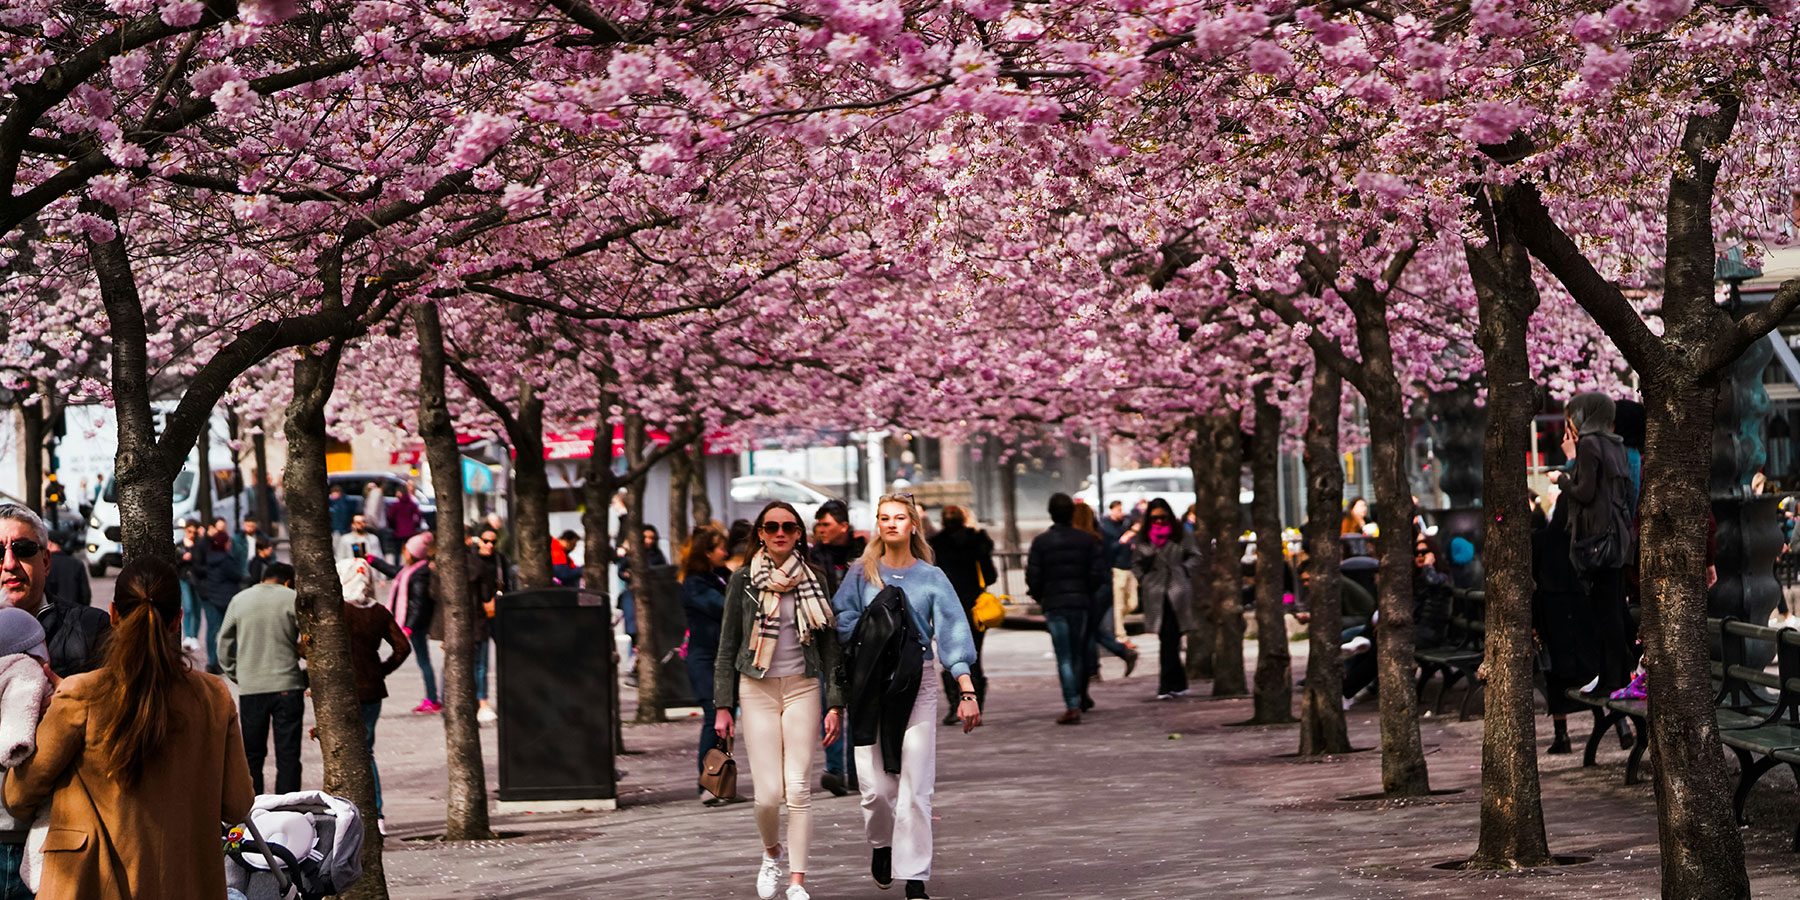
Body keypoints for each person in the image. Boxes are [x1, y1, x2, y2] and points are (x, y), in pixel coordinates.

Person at [4, 555, 255, 900]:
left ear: (113, 614)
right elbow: (238, 804)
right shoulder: (214, 697)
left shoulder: (80, 695)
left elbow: (18, 798)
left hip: (92, 885)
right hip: (186, 885)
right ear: (177, 620)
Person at [831, 493, 981, 900]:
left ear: (913, 524)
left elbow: (953, 634)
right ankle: (882, 845)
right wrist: (873, 625)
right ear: (878, 525)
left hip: (918, 685)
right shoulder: (861, 573)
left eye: (900, 517)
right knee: (874, 789)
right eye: (885, 518)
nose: (892, 524)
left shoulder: (932, 577)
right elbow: (839, 621)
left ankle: (915, 877)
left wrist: (966, 688)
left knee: (915, 785)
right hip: (870, 686)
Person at [714, 502, 845, 900]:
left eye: (789, 526)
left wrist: (835, 703)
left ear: (799, 534)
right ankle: (772, 852)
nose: (780, 532)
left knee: (799, 789)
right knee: (768, 794)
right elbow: (727, 646)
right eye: (771, 526)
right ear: (761, 533)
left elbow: (830, 647)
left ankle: (797, 883)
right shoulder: (743, 581)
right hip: (756, 689)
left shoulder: (816, 579)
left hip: (803, 687)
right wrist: (722, 705)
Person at [0, 504, 113, 892]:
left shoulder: (90, 627)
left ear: (47, 561)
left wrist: (72, 701)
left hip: (59, 845)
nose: (9, 563)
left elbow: (123, 726)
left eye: (23, 549)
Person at [1555, 392, 1637, 695]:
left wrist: (1563, 478)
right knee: (1615, 608)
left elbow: (1585, 492)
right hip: (1617, 537)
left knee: (1606, 613)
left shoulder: (1589, 444)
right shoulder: (1616, 444)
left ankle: (1610, 678)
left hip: (1597, 540)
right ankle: (1622, 675)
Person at [332, 557, 411, 834]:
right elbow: (402, 647)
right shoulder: (379, 611)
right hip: (372, 689)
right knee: (367, 750)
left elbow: (306, 649)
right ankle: (376, 812)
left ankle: (348, 812)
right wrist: (381, 670)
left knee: (340, 750)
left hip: (340, 689)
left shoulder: (336, 611)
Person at [217, 561, 305, 794]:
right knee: (288, 754)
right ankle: (288, 808)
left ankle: (254, 806)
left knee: (252, 754)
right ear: (288, 581)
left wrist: (236, 673)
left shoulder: (240, 599)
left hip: (252, 687)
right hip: (288, 684)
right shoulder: (291, 597)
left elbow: (223, 642)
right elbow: (310, 638)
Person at [1026, 494, 1108, 724]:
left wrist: (1040, 594)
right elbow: (1098, 573)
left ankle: (1072, 702)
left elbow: (1034, 575)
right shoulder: (1087, 541)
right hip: (1080, 601)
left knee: (1064, 655)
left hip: (1055, 603)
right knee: (1078, 653)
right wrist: (1086, 590)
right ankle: (1079, 697)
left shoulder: (1041, 542)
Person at [1531, 495, 1603, 754]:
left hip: (1552, 609)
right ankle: (1618, 727)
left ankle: (1562, 735)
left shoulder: (1540, 540)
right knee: (1589, 669)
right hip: (1580, 606)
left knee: (1556, 675)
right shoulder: (1583, 540)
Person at [927, 506, 997, 725]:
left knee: (949, 657)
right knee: (975, 657)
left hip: (946, 608)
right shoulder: (977, 541)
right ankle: (978, 706)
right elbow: (990, 575)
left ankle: (953, 706)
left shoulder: (936, 545)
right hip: (973, 605)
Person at [1132, 498, 1202, 700]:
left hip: (1177, 590)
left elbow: (1195, 556)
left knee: (1171, 638)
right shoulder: (1144, 538)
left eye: (1163, 517)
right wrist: (1144, 579)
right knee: (1167, 638)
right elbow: (1135, 563)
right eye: (1155, 518)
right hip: (1155, 592)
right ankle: (1177, 683)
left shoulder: (1180, 534)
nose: (1160, 521)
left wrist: (1183, 570)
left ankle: (1167, 685)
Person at [681, 525, 731, 804]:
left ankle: (720, 783)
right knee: (714, 717)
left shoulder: (721, 577)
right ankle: (707, 784)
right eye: (720, 547)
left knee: (726, 721)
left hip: (721, 658)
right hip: (705, 658)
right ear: (707, 553)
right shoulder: (695, 583)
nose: (725, 552)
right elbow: (723, 607)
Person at [372, 533, 440, 713]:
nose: (404, 553)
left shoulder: (420, 573)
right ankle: (432, 697)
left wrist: (409, 626)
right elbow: (393, 571)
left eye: (406, 550)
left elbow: (418, 604)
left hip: (416, 625)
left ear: (413, 553)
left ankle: (432, 699)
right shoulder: (410, 570)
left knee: (424, 661)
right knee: (422, 660)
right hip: (413, 624)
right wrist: (372, 560)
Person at [1073, 503, 1137, 690]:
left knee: (1088, 630)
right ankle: (1119, 653)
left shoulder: (1088, 538)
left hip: (1094, 588)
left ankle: (1094, 668)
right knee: (1091, 630)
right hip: (1102, 585)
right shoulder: (1098, 534)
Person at [471, 526, 512, 724]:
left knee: (506, 655)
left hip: (498, 613)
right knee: (481, 662)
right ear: (478, 540)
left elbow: (508, 584)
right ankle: (482, 701)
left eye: (493, 542)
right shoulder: (471, 560)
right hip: (478, 617)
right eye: (486, 541)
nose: (489, 545)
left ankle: (507, 697)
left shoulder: (499, 560)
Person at [199, 522, 240, 674]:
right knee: (230, 629)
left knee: (212, 629)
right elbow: (236, 576)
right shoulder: (227, 561)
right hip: (226, 598)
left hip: (212, 596)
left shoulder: (210, 558)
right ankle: (231, 659)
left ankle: (212, 661)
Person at [1097, 500, 1138, 645]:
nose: (1121, 513)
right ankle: (1121, 636)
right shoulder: (1106, 527)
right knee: (1119, 603)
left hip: (1128, 568)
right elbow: (1108, 549)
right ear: (1112, 510)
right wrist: (1122, 541)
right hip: (1117, 568)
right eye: (1119, 510)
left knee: (1133, 603)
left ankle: (1117, 623)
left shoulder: (1123, 524)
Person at [810, 499, 866, 590]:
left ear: (844, 526)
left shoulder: (861, 551)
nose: (821, 530)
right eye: (819, 525)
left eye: (826, 525)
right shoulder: (815, 554)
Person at [176, 519, 206, 644]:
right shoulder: (179, 546)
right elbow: (174, 563)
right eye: (189, 531)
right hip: (184, 578)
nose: (191, 534)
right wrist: (183, 559)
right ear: (185, 530)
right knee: (187, 607)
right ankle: (188, 635)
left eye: (194, 532)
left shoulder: (200, 545)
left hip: (197, 579)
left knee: (197, 608)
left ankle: (194, 636)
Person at [43, 531, 91, 608]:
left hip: (53, 613)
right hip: (75, 613)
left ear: (50, 543)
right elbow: (85, 595)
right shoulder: (77, 564)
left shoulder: (44, 564)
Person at [391, 480, 424, 548]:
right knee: (410, 548)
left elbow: (391, 517)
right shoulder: (411, 504)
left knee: (398, 552)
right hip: (410, 531)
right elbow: (419, 514)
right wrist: (416, 524)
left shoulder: (396, 505)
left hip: (398, 531)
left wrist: (393, 526)